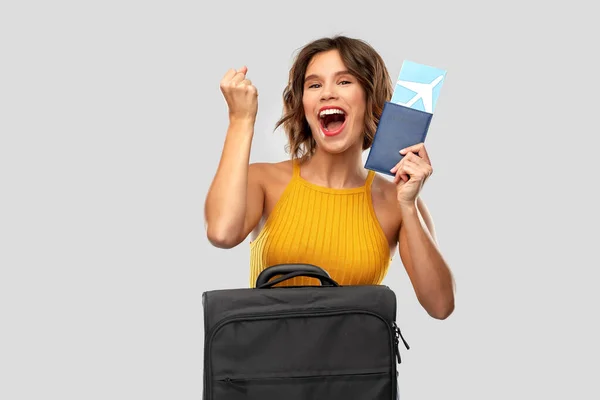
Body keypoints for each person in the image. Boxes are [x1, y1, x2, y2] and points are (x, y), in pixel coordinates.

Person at [204, 35, 455, 320]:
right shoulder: (263, 180)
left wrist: (408, 205)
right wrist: (241, 120)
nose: (327, 93)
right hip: (267, 361)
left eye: (344, 81)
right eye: (314, 84)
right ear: (304, 104)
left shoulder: (398, 201)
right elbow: (221, 233)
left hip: (356, 364)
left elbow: (440, 306)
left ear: (369, 97)